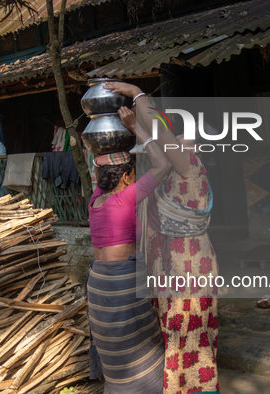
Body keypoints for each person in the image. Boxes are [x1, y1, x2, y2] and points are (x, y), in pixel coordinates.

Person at [104, 82, 220, 394]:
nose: (178, 141)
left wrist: (137, 93)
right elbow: (159, 152)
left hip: (189, 270)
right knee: (175, 339)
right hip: (169, 270)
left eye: (184, 139)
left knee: (191, 341)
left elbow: (161, 138)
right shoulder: (169, 176)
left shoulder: (191, 170)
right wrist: (135, 129)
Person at [86, 105, 172, 393]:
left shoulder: (95, 200)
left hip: (98, 284)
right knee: (140, 348)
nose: (135, 180)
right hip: (123, 282)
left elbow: (96, 167)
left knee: (116, 351)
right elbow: (164, 166)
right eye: (133, 175)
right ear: (124, 177)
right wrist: (136, 126)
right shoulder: (125, 198)